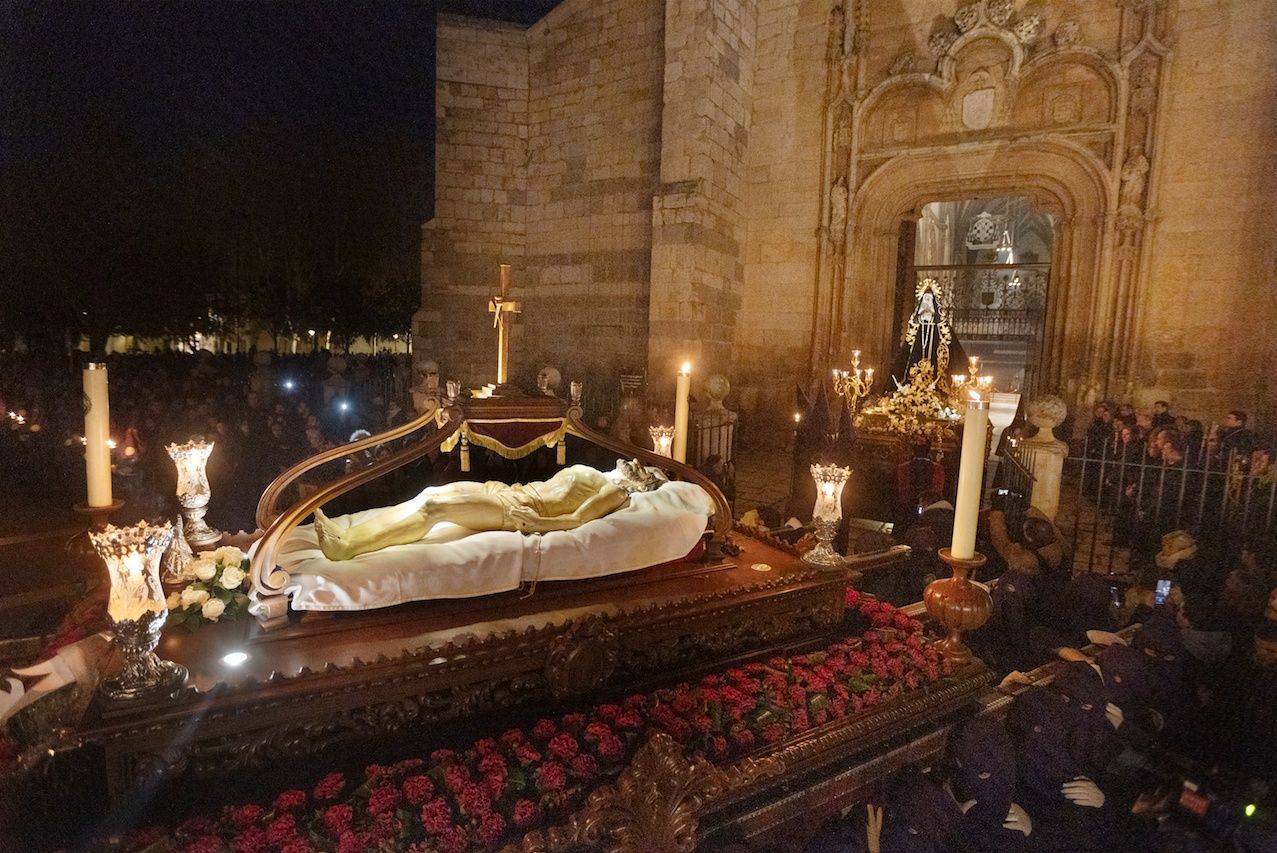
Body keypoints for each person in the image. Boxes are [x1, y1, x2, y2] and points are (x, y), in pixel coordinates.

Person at [313, 460, 665, 561]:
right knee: (428, 494)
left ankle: (347, 549)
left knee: (435, 508)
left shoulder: (614, 491)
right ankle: (348, 534)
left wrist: (539, 523)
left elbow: (577, 519)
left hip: (517, 508)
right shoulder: (601, 473)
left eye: (643, 467)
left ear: (642, 481)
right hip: (504, 492)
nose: (635, 461)